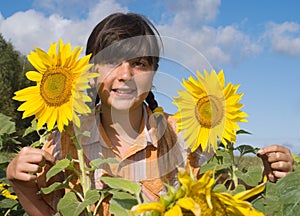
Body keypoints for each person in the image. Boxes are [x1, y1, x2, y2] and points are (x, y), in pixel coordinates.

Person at [6, 12, 294, 216]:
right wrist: (20, 185)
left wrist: (265, 178)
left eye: (139, 64)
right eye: (110, 61)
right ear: (90, 72)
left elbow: (219, 200)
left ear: (153, 73)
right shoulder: (65, 142)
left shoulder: (182, 136)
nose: (125, 75)